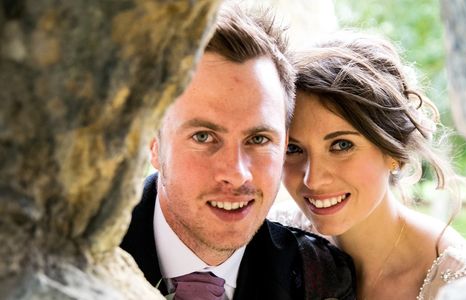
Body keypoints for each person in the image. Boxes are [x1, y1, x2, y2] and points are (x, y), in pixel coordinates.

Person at [120, 5, 356, 300]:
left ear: (284, 147)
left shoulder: (319, 277)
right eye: (204, 137)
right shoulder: (75, 254)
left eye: (258, 139)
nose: (236, 173)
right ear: (154, 143)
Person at [278, 31, 466, 300]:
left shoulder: (460, 284)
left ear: (394, 150)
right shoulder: (274, 241)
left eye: (342, 145)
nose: (313, 180)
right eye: (293, 149)